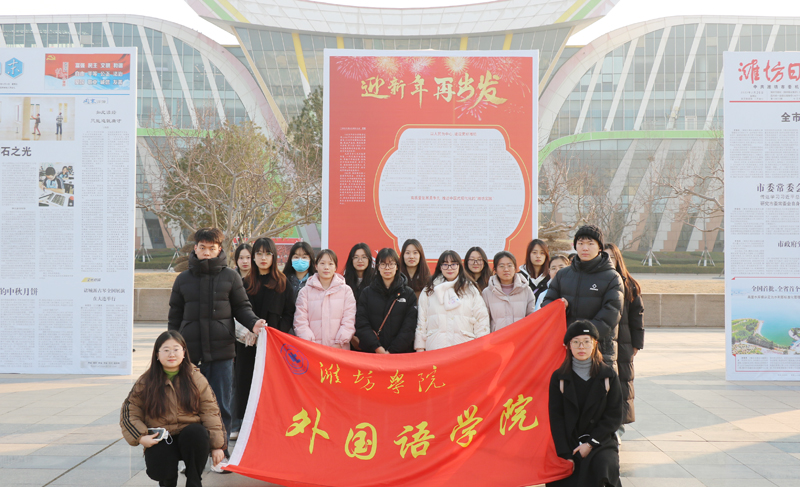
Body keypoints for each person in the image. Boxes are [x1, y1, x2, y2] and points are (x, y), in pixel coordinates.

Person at [167, 228, 265, 471]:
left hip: (222, 353)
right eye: (203, 248)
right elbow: (174, 318)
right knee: (188, 407)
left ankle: (221, 455)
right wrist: (171, 348)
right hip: (190, 355)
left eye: (212, 248)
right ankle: (191, 456)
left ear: (219, 249)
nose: (207, 252)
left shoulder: (230, 277)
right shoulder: (183, 279)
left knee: (221, 406)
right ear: (195, 248)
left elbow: (242, 307)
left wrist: (254, 323)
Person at [120, 331, 226, 487]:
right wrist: (141, 437)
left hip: (189, 437)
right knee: (161, 470)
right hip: (161, 437)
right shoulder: (146, 381)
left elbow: (210, 411)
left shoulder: (196, 378)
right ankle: (167, 482)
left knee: (197, 432)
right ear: (157, 354)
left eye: (176, 349)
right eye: (166, 350)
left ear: (184, 353)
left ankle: (194, 481)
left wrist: (217, 446)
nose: (172, 354)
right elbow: (129, 412)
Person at [547, 321, 623, 487]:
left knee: (603, 466)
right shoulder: (559, 378)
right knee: (562, 476)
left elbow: (614, 416)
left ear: (594, 344)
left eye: (586, 341)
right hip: (569, 442)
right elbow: (556, 418)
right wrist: (565, 454)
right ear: (568, 346)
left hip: (600, 441)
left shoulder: (608, 376)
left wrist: (590, 443)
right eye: (576, 342)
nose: (581, 347)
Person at [542, 225, 623, 369]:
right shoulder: (563, 275)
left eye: (590, 244)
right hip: (565, 348)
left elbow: (610, 315)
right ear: (575, 246)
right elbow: (547, 305)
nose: (585, 248)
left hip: (599, 351)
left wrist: (583, 340)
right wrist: (561, 307)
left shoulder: (612, 278)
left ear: (599, 247)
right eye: (580, 243)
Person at [235, 238, 295, 432]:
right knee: (246, 382)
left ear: (274, 256)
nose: (263, 258)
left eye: (267, 254)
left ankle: (271, 425)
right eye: (259, 253)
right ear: (253, 257)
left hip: (274, 346)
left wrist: (277, 334)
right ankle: (245, 426)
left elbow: (289, 313)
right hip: (248, 344)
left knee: (271, 384)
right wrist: (247, 332)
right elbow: (236, 312)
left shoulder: (282, 283)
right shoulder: (244, 283)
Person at [603, 243, 644, 435]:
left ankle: (619, 427)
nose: (608, 260)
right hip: (605, 343)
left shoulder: (630, 285)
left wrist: (636, 344)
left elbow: (637, 317)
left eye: (612, 257)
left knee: (623, 383)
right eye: (604, 256)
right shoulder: (598, 282)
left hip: (624, 344)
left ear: (618, 259)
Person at [415, 250, 490, 352]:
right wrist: (420, 347)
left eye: (453, 264)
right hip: (436, 348)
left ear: (459, 266)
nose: (449, 268)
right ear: (440, 267)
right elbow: (421, 321)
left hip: (464, 348)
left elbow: (481, 320)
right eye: (445, 264)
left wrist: (481, 347)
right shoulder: (429, 290)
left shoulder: (470, 290)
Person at [354, 248, 417, 354]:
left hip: (400, 354)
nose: (387, 268)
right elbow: (362, 324)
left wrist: (392, 351)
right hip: (372, 353)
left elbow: (409, 327)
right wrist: (377, 348)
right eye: (383, 264)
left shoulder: (408, 294)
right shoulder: (367, 293)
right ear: (377, 267)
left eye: (391, 264)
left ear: (397, 266)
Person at [294, 249, 357, 349]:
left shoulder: (346, 291)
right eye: (322, 263)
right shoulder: (305, 292)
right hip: (312, 350)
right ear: (316, 266)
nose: (326, 267)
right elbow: (300, 321)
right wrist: (312, 345)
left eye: (330, 264)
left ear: (335, 267)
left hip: (339, 350)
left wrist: (339, 343)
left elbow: (349, 321)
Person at [482, 251, 535, 332]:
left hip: (521, 337)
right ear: (495, 269)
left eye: (510, 266)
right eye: (501, 266)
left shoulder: (526, 290)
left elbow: (532, 317)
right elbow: (484, 321)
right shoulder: (487, 293)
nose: (506, 269)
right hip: (497, 338)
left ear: (515, 268)